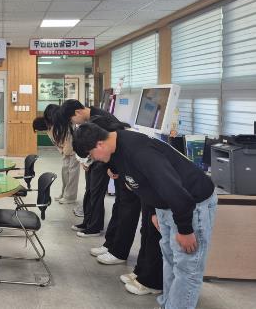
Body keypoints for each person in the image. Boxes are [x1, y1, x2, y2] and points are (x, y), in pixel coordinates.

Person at [73, 123, 217, 309]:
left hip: (191, 204)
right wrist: (156, 211)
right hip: (166, 206)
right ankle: (169, 304)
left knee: (187, 268)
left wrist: (185, 230)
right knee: (170, 260)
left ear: (100, 144)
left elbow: (176, 192)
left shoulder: (140, 152)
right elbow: (145, 183)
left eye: (91, 155)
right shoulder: (116, 147)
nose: (94, 159)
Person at [52, 100, 119, 237]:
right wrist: (84, 160)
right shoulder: (89, 119)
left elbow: (109, 145)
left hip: (102, 161)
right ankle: (87, 222)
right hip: (92, 161)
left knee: (96, 194)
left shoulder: (101, 118)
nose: (74, 123)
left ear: (77, 112)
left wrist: (111, 166)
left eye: (72, 119)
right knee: (89, 191)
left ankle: (94, 227)